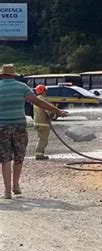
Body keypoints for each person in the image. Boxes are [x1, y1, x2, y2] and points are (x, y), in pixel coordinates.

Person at [0, 64, 68, 199]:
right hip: (19, 125)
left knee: (5, 159)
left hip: (2, 127)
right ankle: (16, 185)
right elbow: (39, 102)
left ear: (2, 75)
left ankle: (7, 191)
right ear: (14, 75)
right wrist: (58, 111)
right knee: (19, 156)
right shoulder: (21, 87)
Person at [33, 84, 52, 160]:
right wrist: (56, 112)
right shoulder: (44, 100)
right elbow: (49, 112)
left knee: (40, 139)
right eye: (45, 90)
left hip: (37, 123)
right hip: (43, 123)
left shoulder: (37, 99)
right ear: (43, 91)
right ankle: (39, 155)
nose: (46, 92)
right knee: (43, 140)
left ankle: (40, 154)